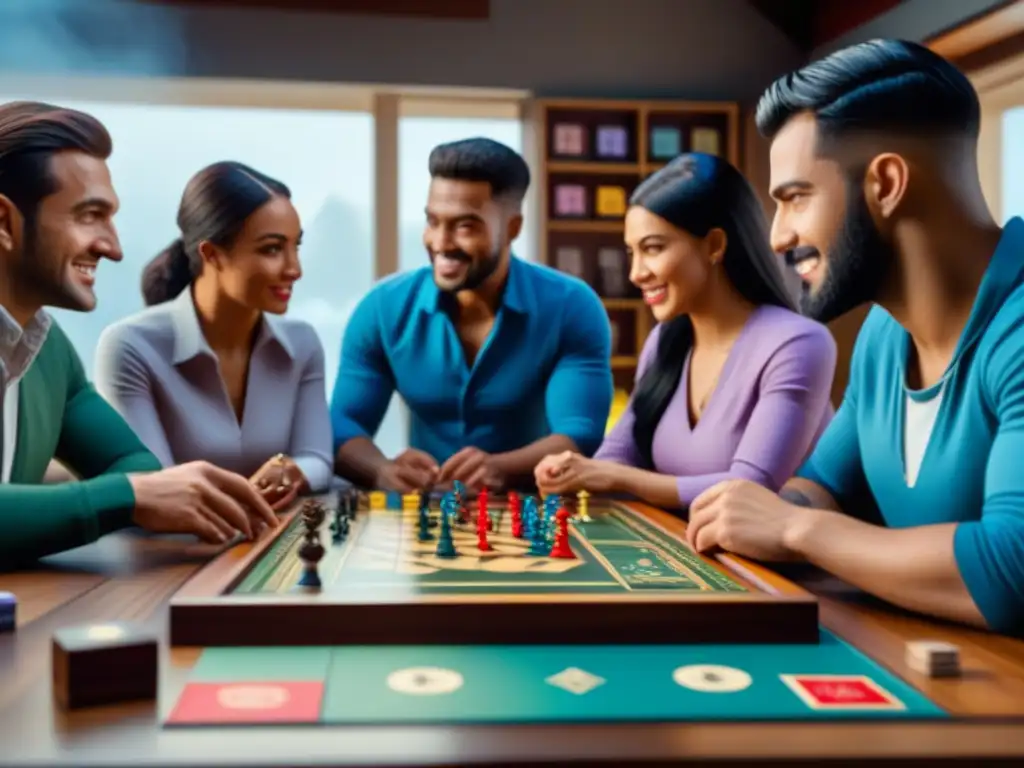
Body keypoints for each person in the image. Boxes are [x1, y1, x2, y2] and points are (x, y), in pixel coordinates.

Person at [685, 39, 1024, 635]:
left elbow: (1010, 570)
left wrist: (794, 530)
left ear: (887, 183)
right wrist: (774, 515)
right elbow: (823, 483)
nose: (777, 238)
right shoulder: (882, 335)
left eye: (795, 198)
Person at [0, 101, 277, 568]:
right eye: (89, 215)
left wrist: (132, 494)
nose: (113, 247)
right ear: (5, 223)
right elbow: (133, 489)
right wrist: (122, 497)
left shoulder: (48, 349)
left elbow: (136, 468)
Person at [535, 153, 836, 509]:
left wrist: (615, 478)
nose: (636, 273)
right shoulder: (666, 341)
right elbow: (619, 453)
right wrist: (573, 471)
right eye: (631, 252)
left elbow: (750, 489)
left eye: (653, 248)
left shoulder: (798, 344)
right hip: (681, 551)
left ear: (714, 245)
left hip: (769, 564)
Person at [331, 137, 612, 494]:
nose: (441, 242)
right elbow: (342, 423)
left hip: (534, 513)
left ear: (512, 228)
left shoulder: (573, 306)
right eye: (433, 221)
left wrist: (499, 469)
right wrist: (380, 470)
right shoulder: (382, 308)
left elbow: (579, 434)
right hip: (427, 513)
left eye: (464, 226)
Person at [93, 161, 333, 510]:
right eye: (272, 249)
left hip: (269, 546)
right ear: (212, 254)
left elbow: (318, 459)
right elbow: (155, 487)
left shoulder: (302, 343)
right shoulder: (129, 346)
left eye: (296, 246)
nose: (294, 269)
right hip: (168, 557)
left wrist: (292, 471)